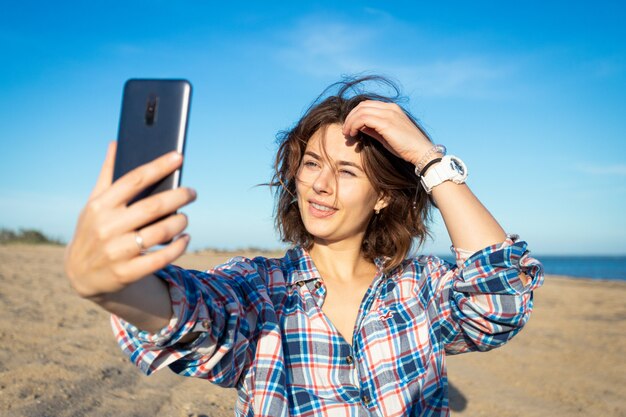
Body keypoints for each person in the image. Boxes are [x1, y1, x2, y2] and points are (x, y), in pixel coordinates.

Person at [64, 76, 543, 417]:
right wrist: (114, 288)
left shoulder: (419, 288)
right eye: (312, 163)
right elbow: (197, 316)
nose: (320, 185)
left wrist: (428, 160)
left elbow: (498, 302)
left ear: (382, 197)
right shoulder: (261, 287)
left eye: (348, 171)